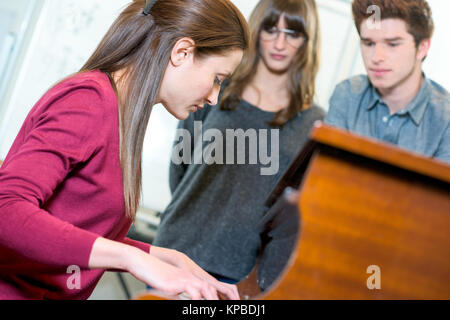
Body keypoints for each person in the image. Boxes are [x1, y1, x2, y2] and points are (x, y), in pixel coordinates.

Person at [0, 0, 249, 300]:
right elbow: (7, 209)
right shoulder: (88, 101)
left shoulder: (123, 114)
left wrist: (163, 256)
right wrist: (132, 259)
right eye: (217, 80)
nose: (213, 97)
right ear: (182, 52)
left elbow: (75, 228)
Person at [153, 0, 324, 290]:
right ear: (257, 30)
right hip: (177, 254)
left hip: (243, 276)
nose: (279, 43)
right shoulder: (211, 89)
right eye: (271, 29)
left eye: (292, 33)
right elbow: (179, 167)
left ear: (307, 41)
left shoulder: (316, 124)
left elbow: (294, 214)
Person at [325, 0, 450, 163]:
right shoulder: (347, 95)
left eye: (392, 44)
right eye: (368, 43)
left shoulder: (445, 119)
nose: (376, 57)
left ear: (422, 48)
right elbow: (326, 177)